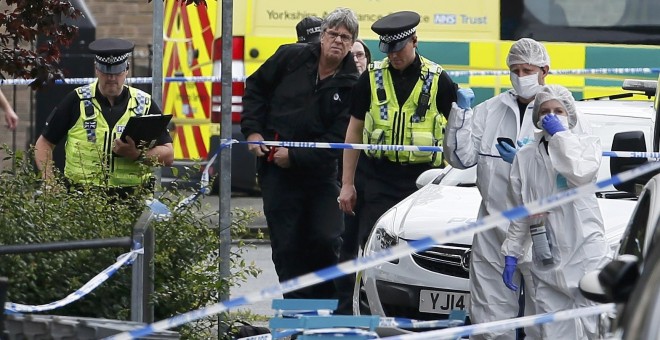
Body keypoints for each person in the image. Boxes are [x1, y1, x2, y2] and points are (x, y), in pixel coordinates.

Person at [241, 8, 359, 299]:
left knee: (326, 237)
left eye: (345, 37)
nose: (338, 41)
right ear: (322, 36)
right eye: (333, 34)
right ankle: (296, 310)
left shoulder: (352, 84)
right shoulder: (290, 57)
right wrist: (253, 131)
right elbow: (255, 88)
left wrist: (294, 157)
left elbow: (337, 139)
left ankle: (326, 308)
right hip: (277, 173)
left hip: (319, 175)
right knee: (287, 244)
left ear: (352, 42)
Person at [443, 38, 550, 339]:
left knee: (543, 321)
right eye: (515, 69)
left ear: (545, 71)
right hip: (493, 228)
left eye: (527, 69)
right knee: (489, 318)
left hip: (542, 231)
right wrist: (461, 116)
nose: (520, 75)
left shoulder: (558, 110)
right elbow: (460, 158)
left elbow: (572, 172)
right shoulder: (490, 111)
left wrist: (528, 161)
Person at [339, 11, 461, 254]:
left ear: (414, 41)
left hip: (425, 180)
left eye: (399, 48)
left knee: (421, 249)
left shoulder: (438, 80)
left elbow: (460, 133)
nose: (393, 55)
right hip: (379, 178)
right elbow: (354, 132)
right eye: (388, 49)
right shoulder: (371, 79)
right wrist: (347, 184)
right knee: (375, 246)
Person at [502, 84, 606, 339]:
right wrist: (512, 251)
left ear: (569, 115)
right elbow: (520, 207)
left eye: (558, 110)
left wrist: (561, 137)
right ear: (537, 117)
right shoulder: (525, 155)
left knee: (595, 323)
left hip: (584, 250)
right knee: (552, 328)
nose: (551, 116)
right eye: (545, 110)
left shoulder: (587, 145)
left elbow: (580, 174)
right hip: (545, 253)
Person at [34, 38, 174, 197]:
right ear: (96, 69)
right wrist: (51, 183)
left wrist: (137, 155)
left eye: (117, 71)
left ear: (127, 70)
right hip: (82, 200)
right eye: (106, 71)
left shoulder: (144, 103)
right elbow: (44, 143)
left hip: (132, 200)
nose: (112, 78)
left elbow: (168, 155)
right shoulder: (77, 100)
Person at [335, 37, 372, 315]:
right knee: (345, 248)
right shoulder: (338, 89)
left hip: (373, 179)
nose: (356, 59)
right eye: (352, 55)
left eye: (361, 55)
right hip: (344, 179)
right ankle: (346, 309)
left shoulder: (378, 90)